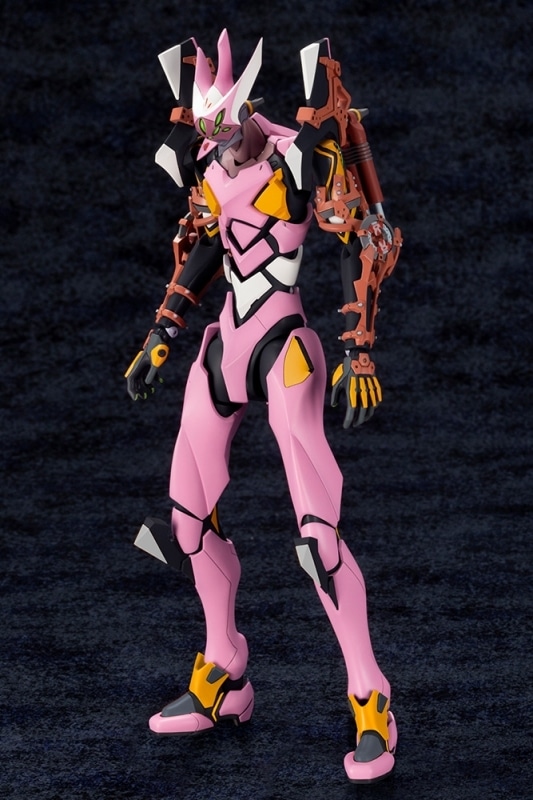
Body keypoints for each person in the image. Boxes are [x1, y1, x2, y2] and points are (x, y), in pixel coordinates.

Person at [126, 29, 401, 783]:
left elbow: (361, 243)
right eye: (206, 135)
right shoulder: (210, 165)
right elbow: (207, 247)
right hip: (225, 346)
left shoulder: (298, 155)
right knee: (185, 523)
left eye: (225, 130)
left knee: (317, 538)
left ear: (246, 108)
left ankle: (370, 698)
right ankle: (225, 673)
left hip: (285, 346)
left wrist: (359, 348)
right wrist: (162, 333)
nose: (218, 147)